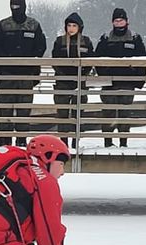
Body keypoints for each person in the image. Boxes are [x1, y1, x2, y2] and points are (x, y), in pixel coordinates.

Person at [0, 0, 46, 147]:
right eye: (13, 6)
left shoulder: (33, 25)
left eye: (18, 6)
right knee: (4, 108)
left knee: (24, 108)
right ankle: (5, 139)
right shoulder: (3, 25)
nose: (15, 9)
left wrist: (31, 64)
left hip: (26, 74)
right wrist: (7, 60)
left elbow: (40, 46)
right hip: (6, 74)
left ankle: (22, 139)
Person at [95, 8, 146, 148]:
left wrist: (139, 80)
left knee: (124, 113)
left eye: (121, 20)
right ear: (112, 22)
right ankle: (108, 142)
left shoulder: (135, 37)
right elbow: (97, 58)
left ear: (127, 21)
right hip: (109, 82)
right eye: (116, 20)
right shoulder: (105, 37)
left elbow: (142, 59)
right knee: (108, 113)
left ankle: (123, 142)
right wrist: (103, 76)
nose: (119, 23)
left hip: (127, 82)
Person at [51, 12, 93, 148]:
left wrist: (82, 75)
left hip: (80, 82)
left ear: (79, 27)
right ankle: (63, 144)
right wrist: (63, 75)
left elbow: (90, 61)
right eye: (69, 25)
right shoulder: (59, 41)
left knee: (78, 114)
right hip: (63, 82)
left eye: (74, 25)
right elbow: (54, 61)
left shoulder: (86, 41)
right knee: (62, 115)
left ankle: (76, 143)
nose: (71, 28)